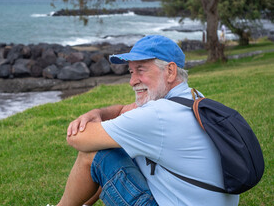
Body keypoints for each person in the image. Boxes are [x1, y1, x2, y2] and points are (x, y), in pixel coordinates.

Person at [54, 35, 239, 206]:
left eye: (140, 70)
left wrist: (88, 121)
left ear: (170, 71)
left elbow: (77, 138)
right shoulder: (193, 98)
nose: (132, 81)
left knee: (95, 154)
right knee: (122, 147)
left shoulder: (158, 115)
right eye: (131, 72)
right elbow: (123, 110)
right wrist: (97, 113)